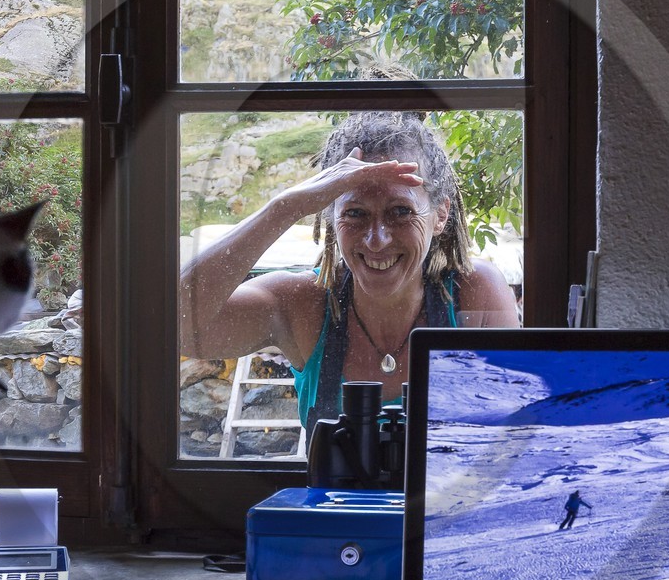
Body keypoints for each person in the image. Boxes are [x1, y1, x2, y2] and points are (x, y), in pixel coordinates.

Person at [178, 111, 520, 435]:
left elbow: (513, 442)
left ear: (440, 215)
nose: (376, 240)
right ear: (329, 216)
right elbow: (172, 327)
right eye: (355, 213)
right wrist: (286, 207)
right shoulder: (303, 303)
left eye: (400, 211)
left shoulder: (474, 293)